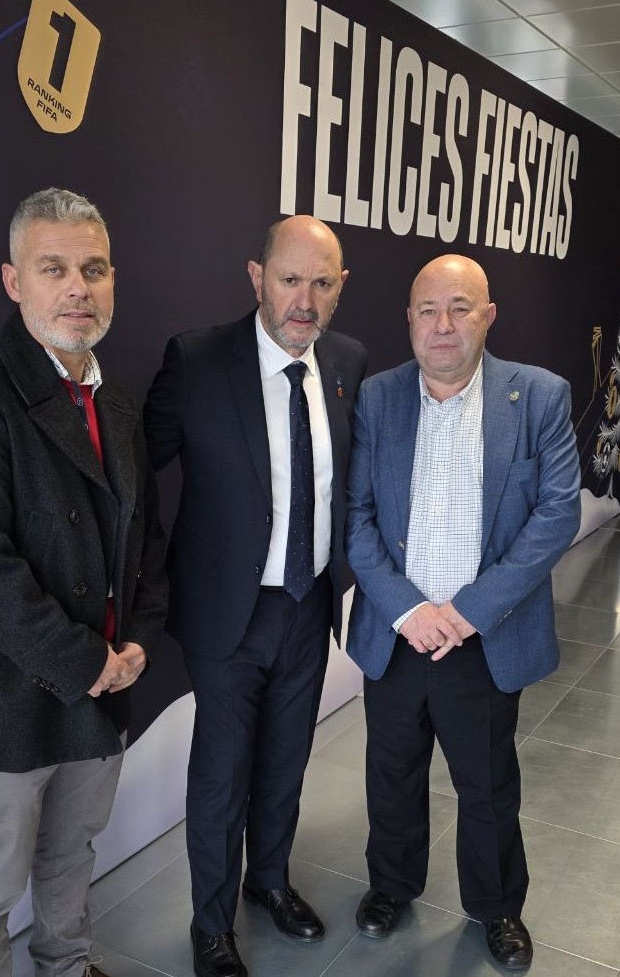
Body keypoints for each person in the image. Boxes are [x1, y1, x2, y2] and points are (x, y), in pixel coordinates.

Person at [0, 188, 167, 977]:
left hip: (103, 685)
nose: (77, 288)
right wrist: (89, 662)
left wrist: (136, 640)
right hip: (2, 696)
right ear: (13, 281)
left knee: (71, 855)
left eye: (94, 269)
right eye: (53, 268)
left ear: (113, 279)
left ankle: (67, 965)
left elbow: (146, 541)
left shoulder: (116, 403)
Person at [143, 215, 366, 977]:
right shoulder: (198, 361)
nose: (304, 300)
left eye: (322, 283)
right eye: (290, 279)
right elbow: (134, 475)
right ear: (256, 278)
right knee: (223, 772)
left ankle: (269, 881)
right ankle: (211, 927)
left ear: (340, 287)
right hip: (227, 613)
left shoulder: (347, 361)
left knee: (286, 760)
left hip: (310, 604)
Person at [345, 254, 581, 970]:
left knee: (486, 786)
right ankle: (391, 885)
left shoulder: (538, 396)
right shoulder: (378, 398)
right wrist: (408, 610)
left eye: (459, 308)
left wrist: (469, 611)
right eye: (427, 310)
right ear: (409, 319)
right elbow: (357, 518)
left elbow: (557, 513)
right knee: (391, 773)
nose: (442, 325)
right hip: (399, 633)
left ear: (488, 316)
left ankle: (497, 907)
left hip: (483, 636)